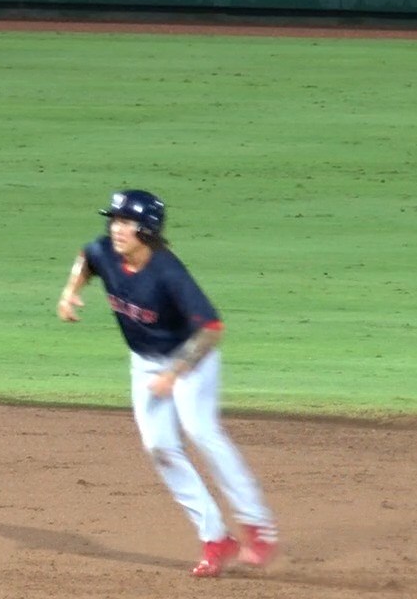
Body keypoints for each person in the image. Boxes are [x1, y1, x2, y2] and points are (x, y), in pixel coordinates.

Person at [56, 189, 278, 578]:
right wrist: (71, 291)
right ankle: (215, 538)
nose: (116, 229)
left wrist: (175, 374)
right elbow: (86, 258)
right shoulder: (106, 251)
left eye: (125, 222)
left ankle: (257, 527)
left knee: (201, 431)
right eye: (114, 221)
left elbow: (211, 329)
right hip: (145, 362)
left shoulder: (168, 273)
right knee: (159, 446)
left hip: (191, 359)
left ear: (147, 229)